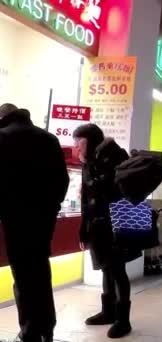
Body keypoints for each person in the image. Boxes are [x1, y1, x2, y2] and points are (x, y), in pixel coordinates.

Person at [0, 104, 69, 342]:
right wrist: (52, 206)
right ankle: (47, 327)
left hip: (16, 217)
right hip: (44, 218)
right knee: (40, 270)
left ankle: (29, 329)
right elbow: (63, 179)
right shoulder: (49, 138)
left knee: (23, 274)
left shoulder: (3, 137)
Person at [74, 124, 139, 339]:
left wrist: (92, 174)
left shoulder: (114, 156)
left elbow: (111, 191)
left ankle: (123, 319)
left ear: (91, 141)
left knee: (117, 269)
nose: (77, 146)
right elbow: (85, 197)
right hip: (97, 223)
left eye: (80, 142)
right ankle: (108, 311)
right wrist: (83, 228)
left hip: (116, 223)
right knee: (106, 268)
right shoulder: (90, 160)